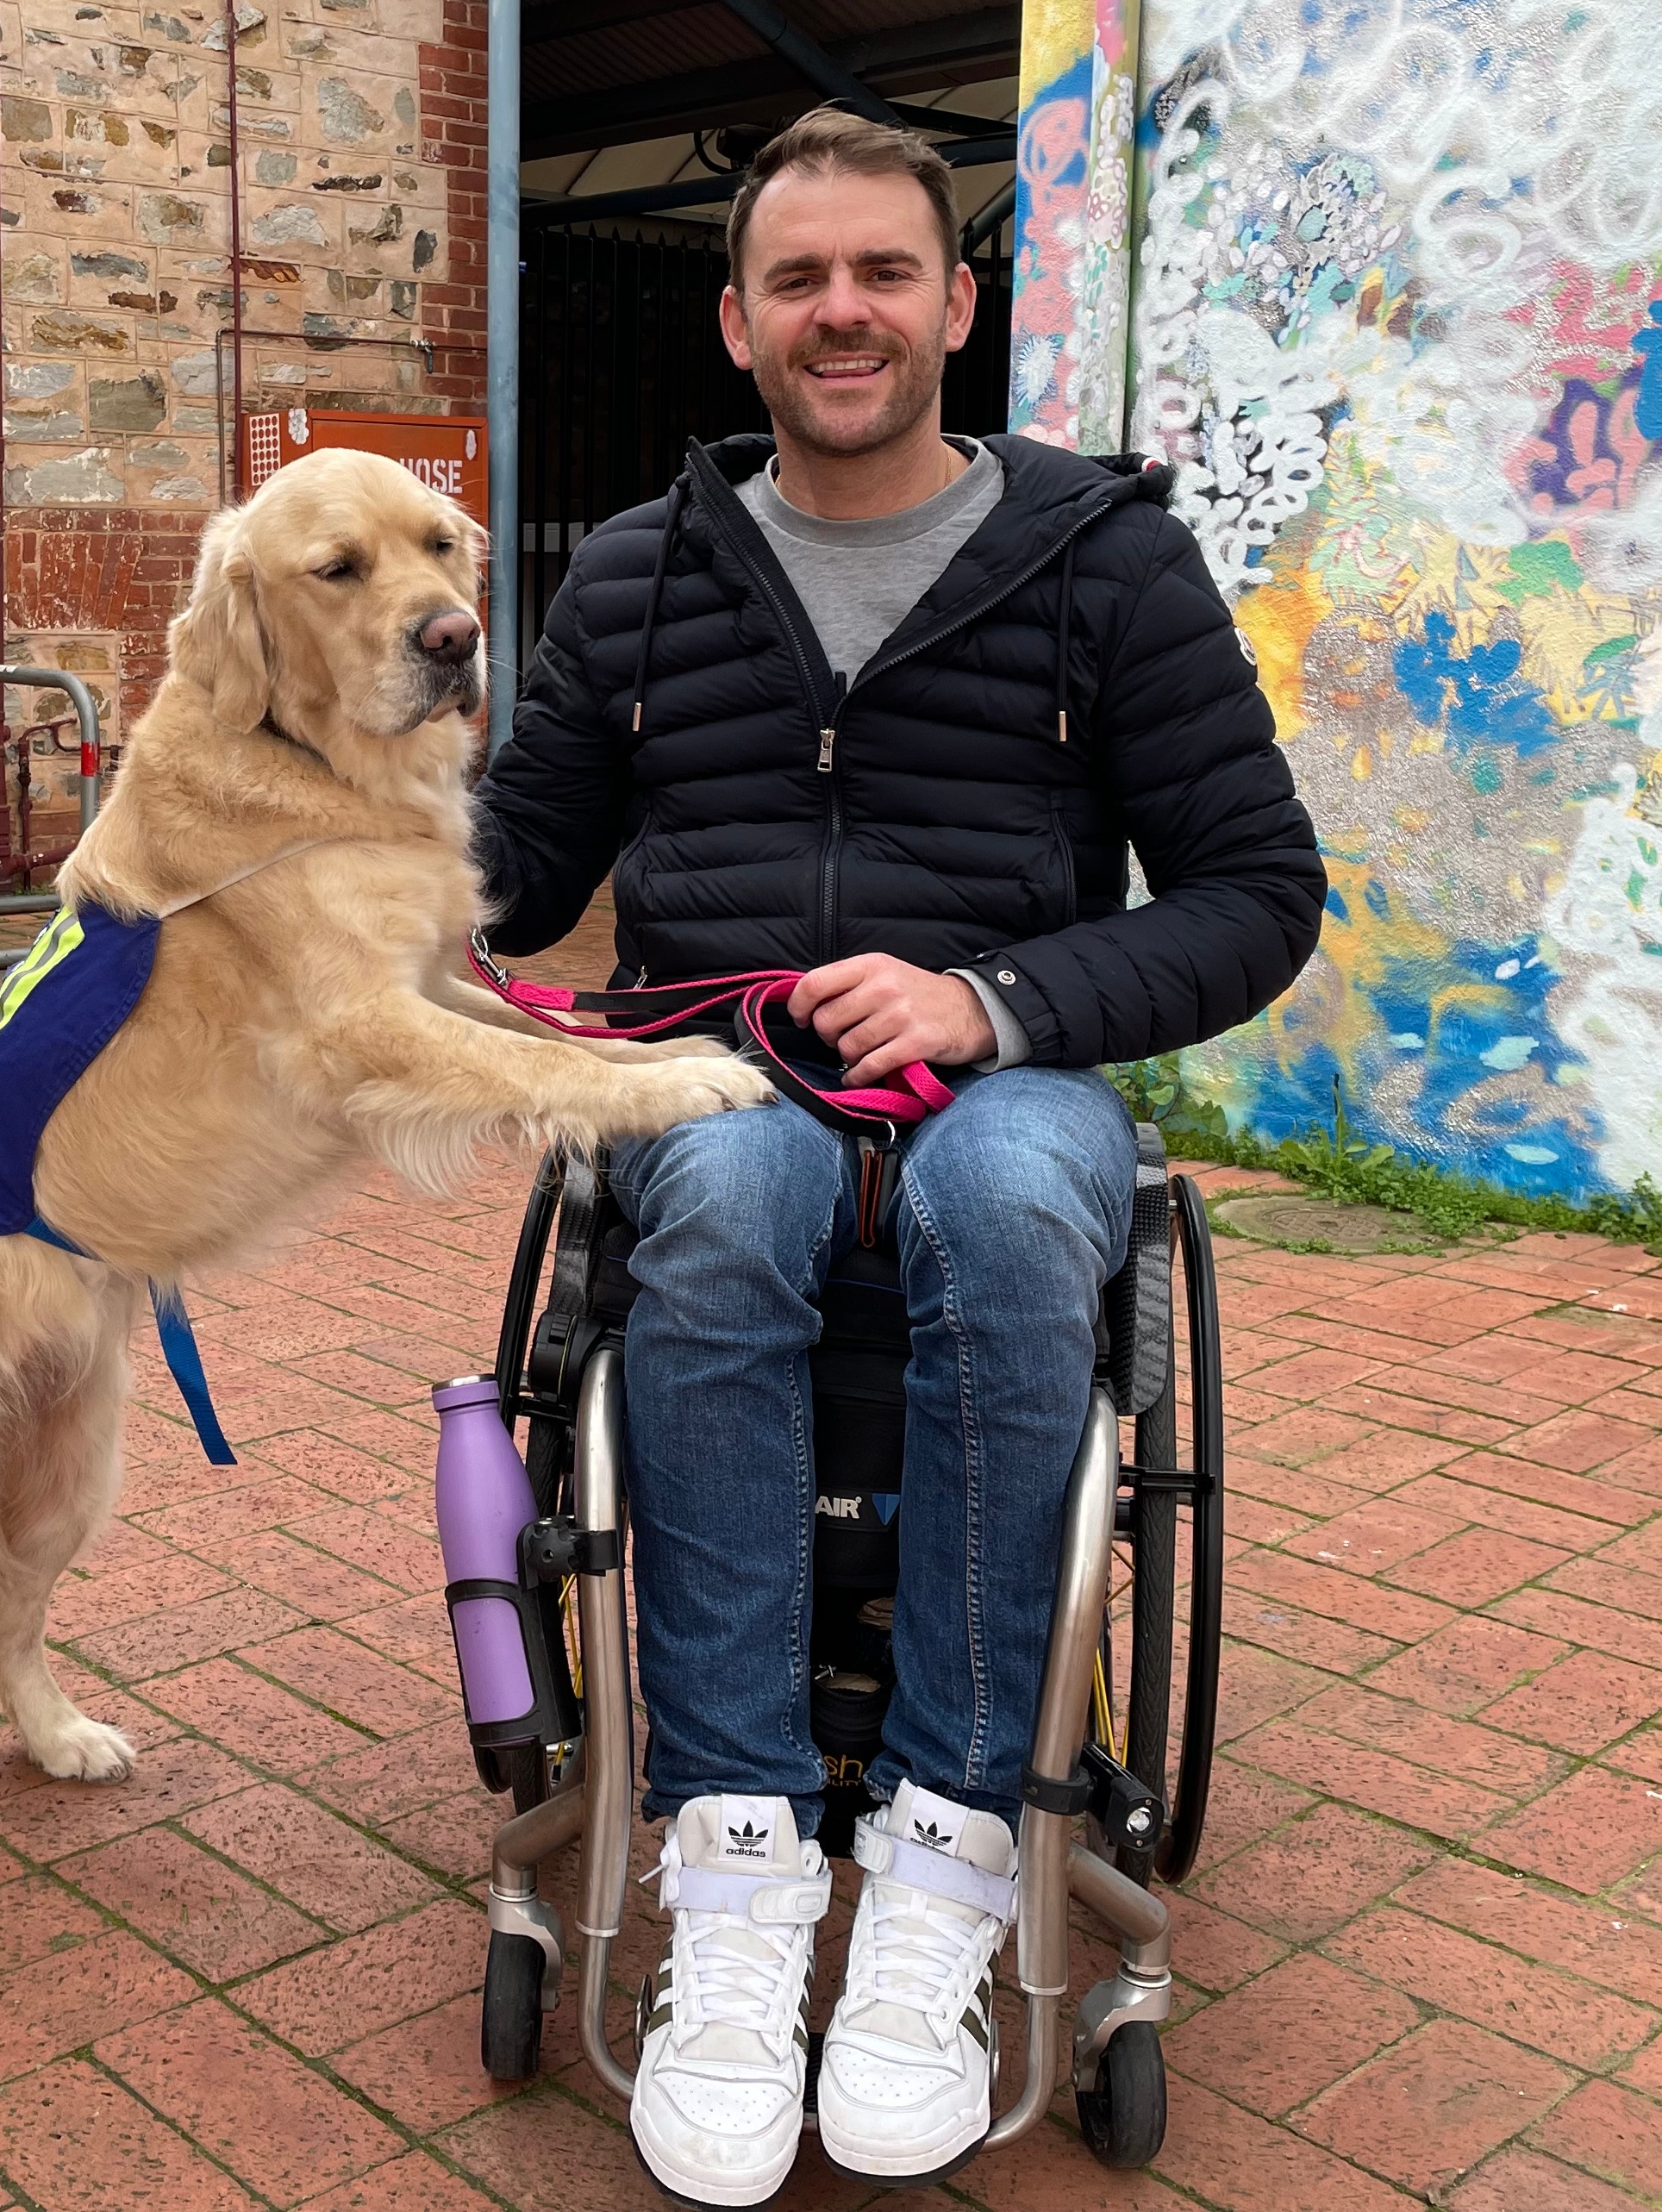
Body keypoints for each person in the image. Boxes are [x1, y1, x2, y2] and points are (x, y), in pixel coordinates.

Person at [472, 109, 1324, 2202]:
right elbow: (509, 869)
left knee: (1025, 1192)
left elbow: (1253, 890)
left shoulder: (1106, 559)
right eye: (797, 281)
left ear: (956, 304)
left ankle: (945, 1862)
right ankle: (740, 1868)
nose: (840, 313)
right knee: (743, 1192)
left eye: (881, 274)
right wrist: (300, 860)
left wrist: (995, 1005)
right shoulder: (639, 570)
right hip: (722, 1067)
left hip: (1001, 1063)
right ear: (739, 323)